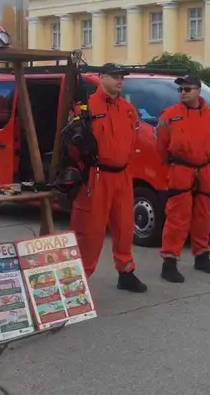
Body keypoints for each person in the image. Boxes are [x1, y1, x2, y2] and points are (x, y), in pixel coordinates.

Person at [69, 63, 147, 293]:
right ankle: (79, 281)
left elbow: (134, 140)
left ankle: (126, 272)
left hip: (122, 174)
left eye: (121, 77)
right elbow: (73, 145)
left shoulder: (128, 109)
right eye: (114, 76)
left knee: (124, 227)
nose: (120, 81)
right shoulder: (85, 107)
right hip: (96, 175)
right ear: (101, 77)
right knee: (91, 231)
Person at [155, 74, 210, 283]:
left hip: (206, 169)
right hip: (181, 169)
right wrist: (173, 164)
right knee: (177, 217)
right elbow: (161, 145)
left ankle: (202, 256)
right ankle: (169, 262)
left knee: (204, 216)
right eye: (180, 90)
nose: (183, 93)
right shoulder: (170, 115)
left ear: (198, 91)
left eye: (187, 89)